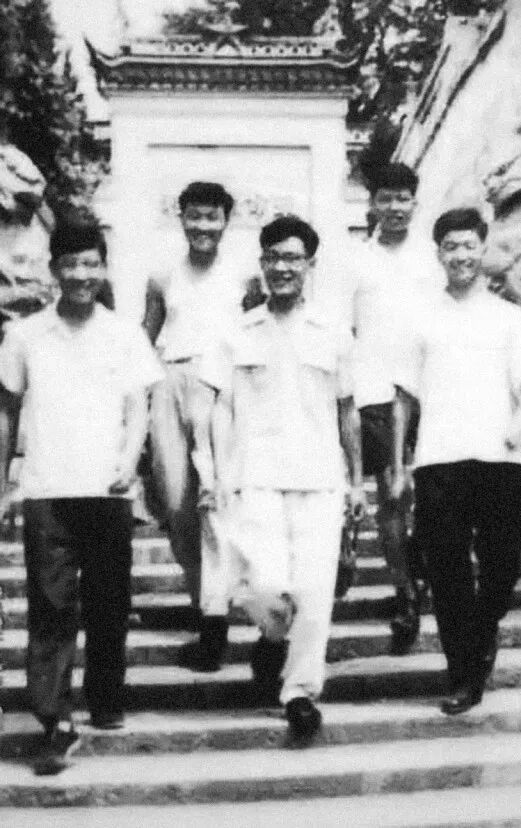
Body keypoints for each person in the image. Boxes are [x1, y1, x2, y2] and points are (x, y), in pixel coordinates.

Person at [0, 212, 162, 775]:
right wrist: (4, 482)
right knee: (50, 604)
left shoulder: (124, 333)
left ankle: (106, 696)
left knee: (109, 600)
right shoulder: (25, 335)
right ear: (54, 270)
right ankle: (53, 720)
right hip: (48, 486)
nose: (80, 275)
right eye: (70, 264)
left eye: (91, 264)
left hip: (106, 488)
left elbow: (138, 406)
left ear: (103, 268)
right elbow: (7, 411)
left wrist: (128, 461)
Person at [199, 215, 365, 744]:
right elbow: (220, 408)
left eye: (293, 258)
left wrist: (357, 480)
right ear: (262, 263)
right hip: (255, 478)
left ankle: (299, 694)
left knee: (314, 595)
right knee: (263, 586)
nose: (282, 267)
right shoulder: (237, 332)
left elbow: (348, 411)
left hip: (320, 478)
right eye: (273, 257)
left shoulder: (333, 331)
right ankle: (272, 639)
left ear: (310, 264)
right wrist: (217, 472)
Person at [393, 207, 521, 715]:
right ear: (439, 253)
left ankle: (483, 632)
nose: (460, 255)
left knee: (502, 567)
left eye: (469, 246)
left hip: (500, 459)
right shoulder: (421, 315)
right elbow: (403, 397)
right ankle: (463, 674)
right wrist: (399, 463)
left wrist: (519, 422)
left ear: (483, 249)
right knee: (447, 572)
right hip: (438, 460)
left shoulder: (508, 316)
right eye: (451, 246)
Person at [143, 181, 242, 672]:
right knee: (176, 502)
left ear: (226, 220)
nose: (203, 225)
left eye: (212, 216)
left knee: (214, 503)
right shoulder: (163, 275)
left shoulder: (244, 276)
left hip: (221, 388)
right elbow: (146, 339)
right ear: (180, 218)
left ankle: (215, 618)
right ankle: (202, 596)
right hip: (170, 382)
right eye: (194, 216)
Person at [351, 162, 443, 655]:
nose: (394, 207)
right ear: (372, 204)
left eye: (403, 198)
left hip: (434, 391)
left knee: (433, 497)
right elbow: (344, 328)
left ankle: (420, 565)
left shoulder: (434, 257)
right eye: (385, 198)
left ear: (415, 202)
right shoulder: (355, 260)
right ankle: (405, 595)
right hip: (376, 392)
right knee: (390, 495)